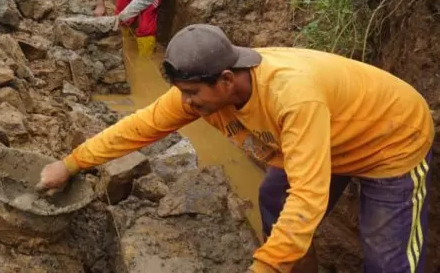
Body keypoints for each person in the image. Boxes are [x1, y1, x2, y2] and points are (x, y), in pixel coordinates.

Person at [38, 25, 434, 273]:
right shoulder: (199, 90)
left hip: (389, 140)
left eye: (193, 94)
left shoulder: (291, 98)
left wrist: (263, 267)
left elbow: (309, 197)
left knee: (385, 259)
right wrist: (70, 163)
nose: (187, 103)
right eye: (182, 93)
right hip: (325, 135)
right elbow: (138, 127)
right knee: (273, 196)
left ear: (227, 79)